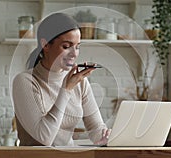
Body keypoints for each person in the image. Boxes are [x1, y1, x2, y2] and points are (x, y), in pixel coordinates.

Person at [12, 12, 111, 146]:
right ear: (45, 45)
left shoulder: (80, 82)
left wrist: (105, 136)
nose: (74, 53)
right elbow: (43, 138)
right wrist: (66, 89)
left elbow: (95, 128)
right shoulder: (25, 81)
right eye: (66, 46)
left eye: (77, 47)